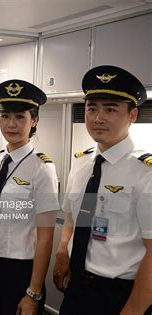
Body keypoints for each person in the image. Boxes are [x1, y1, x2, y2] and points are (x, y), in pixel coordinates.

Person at [53, 65, 152, 315]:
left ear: (132, 115)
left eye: (110, 109)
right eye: (92, 108)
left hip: (119, 294)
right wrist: (63, 250)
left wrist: (133, 310)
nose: (98, 118)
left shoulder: (145, 173)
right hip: (77, 287)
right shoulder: (82, 163)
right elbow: (73, 217)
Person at [0, 80, 59, 315]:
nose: (11, 124)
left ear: (34, 120)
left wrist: (33, 292)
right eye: (5, 116)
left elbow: (45, 238)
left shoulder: (42, 168)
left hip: (18, 271)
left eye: (20, 117)